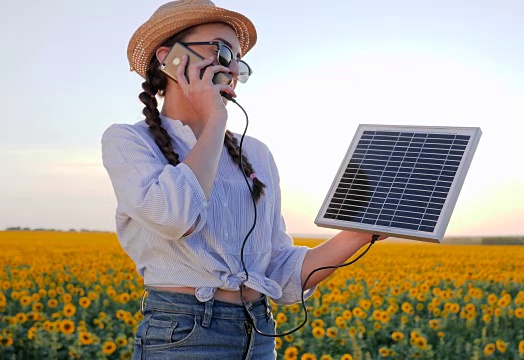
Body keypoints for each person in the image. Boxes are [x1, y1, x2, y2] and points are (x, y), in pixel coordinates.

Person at [101, 0, 383, 359]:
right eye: (221, 51)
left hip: (260, 332)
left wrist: (360, 232)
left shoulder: (258, 154)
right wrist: (214, 120)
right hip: (184, 334)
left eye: (238, 61)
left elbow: (280, 275)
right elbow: (175, 217)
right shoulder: (128, 140)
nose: (232, 68)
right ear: (169, 58)